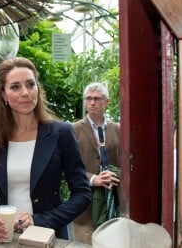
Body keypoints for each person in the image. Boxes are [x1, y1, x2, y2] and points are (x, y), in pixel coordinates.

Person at [0, 57, 91, 242]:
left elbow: (82, 194)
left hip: (48, 235)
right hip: (4, 236)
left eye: (30, 84)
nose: (25, 92)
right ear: (4, 95)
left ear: (38, 89)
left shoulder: (61, 133)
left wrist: (39, 220)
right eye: (15, 87)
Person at [72, 82, 120, 244]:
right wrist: (93, 179)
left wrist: (116, 174)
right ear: (85, 102)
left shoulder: (119, 130)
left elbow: (127, 165)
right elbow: (67, 169)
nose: (92, 103)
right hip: (84, 211)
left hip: (112, 208)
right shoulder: (73, 130)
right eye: (89, 98)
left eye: (97, 99)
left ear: (107, 102)